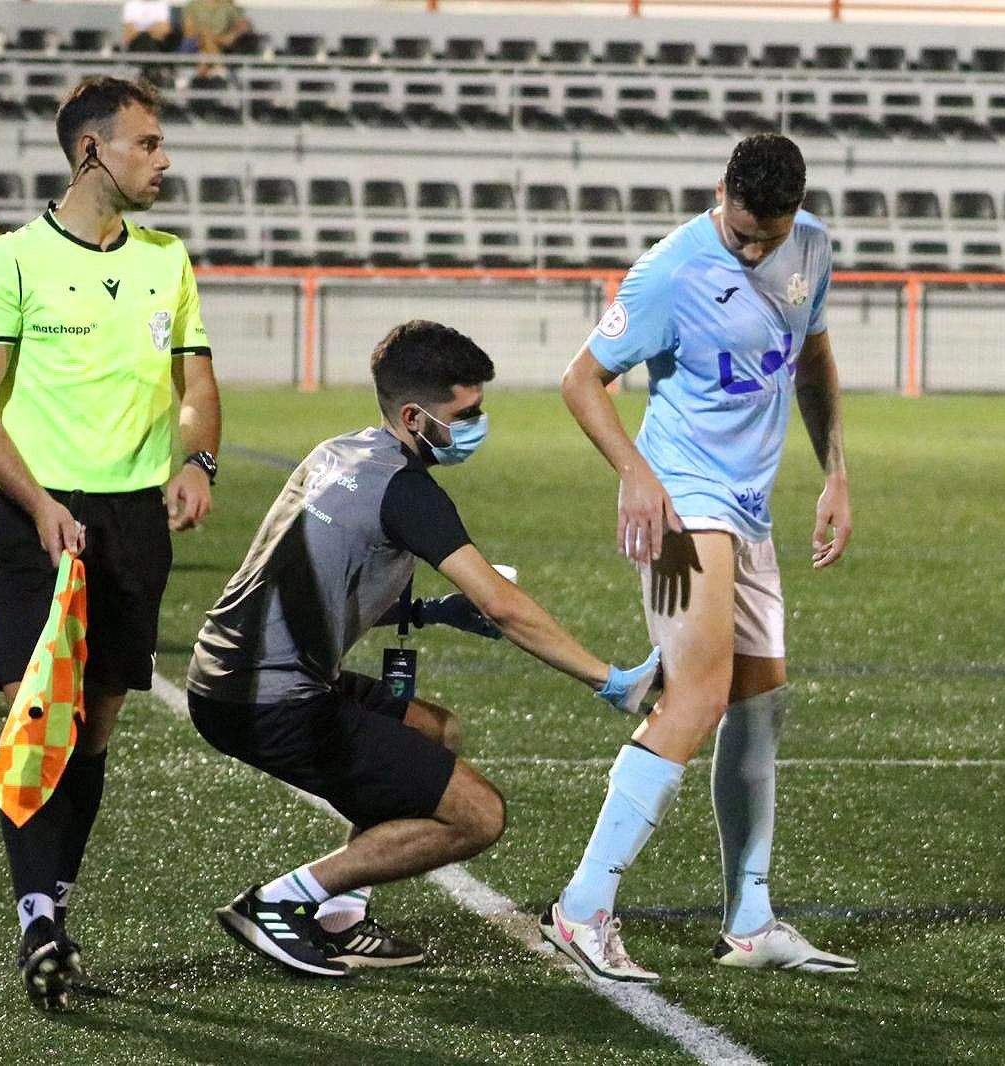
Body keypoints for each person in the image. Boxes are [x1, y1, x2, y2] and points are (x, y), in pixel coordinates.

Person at [184, 319, 661, 979]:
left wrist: (432, 610)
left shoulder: (338, 454)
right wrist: (609, 679)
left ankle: (342, 916)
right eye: (465, 413)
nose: (477, 424)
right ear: (413, 415)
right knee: (478, 815)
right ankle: (280, 903)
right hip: (270, 699)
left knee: (435, 729)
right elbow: (505, 604)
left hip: (232, 676)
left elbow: (309, 584)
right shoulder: (408, 493)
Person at [548, 133, 857, 982]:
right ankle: (582, 906)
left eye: (770, 235)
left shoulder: (813, 246)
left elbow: (814, 361)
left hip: (750, 507)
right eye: (743, 231)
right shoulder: (669, 271)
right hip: (686, 496)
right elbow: (580, 379)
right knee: (699, 695)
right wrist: (636, 474)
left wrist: (835, 473)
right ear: (720, 190)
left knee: (761, 702)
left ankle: (750, 921)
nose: (755, 249)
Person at [0, 75, 222, 1010]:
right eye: (148, 143)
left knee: (98, 720)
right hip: (44, 514)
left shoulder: (167, 260)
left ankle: (51, 914)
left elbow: (195, 384)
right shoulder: (9, 263)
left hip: (134, 518)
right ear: (92, 151)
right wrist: (33, 501)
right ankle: (36, 917)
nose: (165, 159)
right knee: (38, 716)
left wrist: (201, 463)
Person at [181, 0, 256, 76]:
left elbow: (244, 25)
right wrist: (212, 38)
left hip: (219, 45)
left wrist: (232, 35)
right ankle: (220, 68)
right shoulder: (193, 5)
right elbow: (189, 30)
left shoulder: (227, 6)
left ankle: (206, 71)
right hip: (196, 43)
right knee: (206, 36)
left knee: (205, 48)